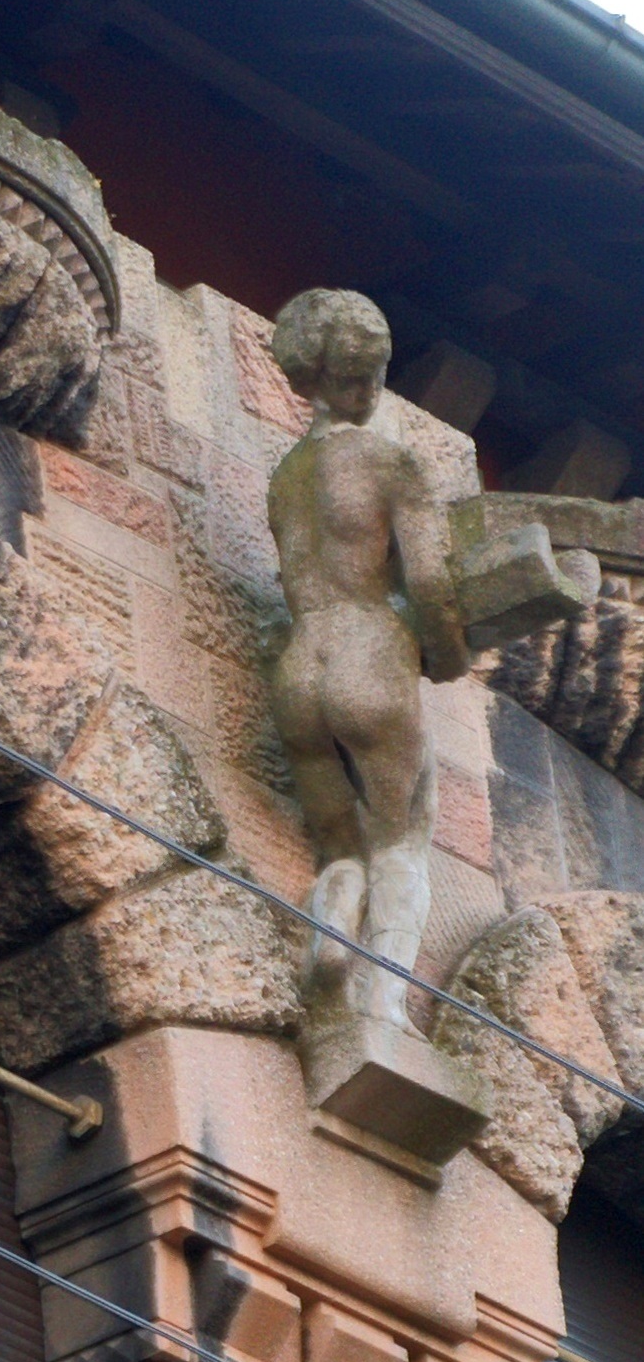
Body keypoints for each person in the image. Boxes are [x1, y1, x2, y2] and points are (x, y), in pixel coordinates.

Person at [262, 287, 463, 1035]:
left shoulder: (286, 478)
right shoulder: (389, 462)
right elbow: (434, 580)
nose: (371, 389)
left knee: (339, 842)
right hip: (369, 648)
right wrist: (445, 654)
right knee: (405, 837)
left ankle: (332, 933)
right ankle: (382, 1003)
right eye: (356, 375)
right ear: (318, 378)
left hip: (300, 667)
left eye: (376, 371)